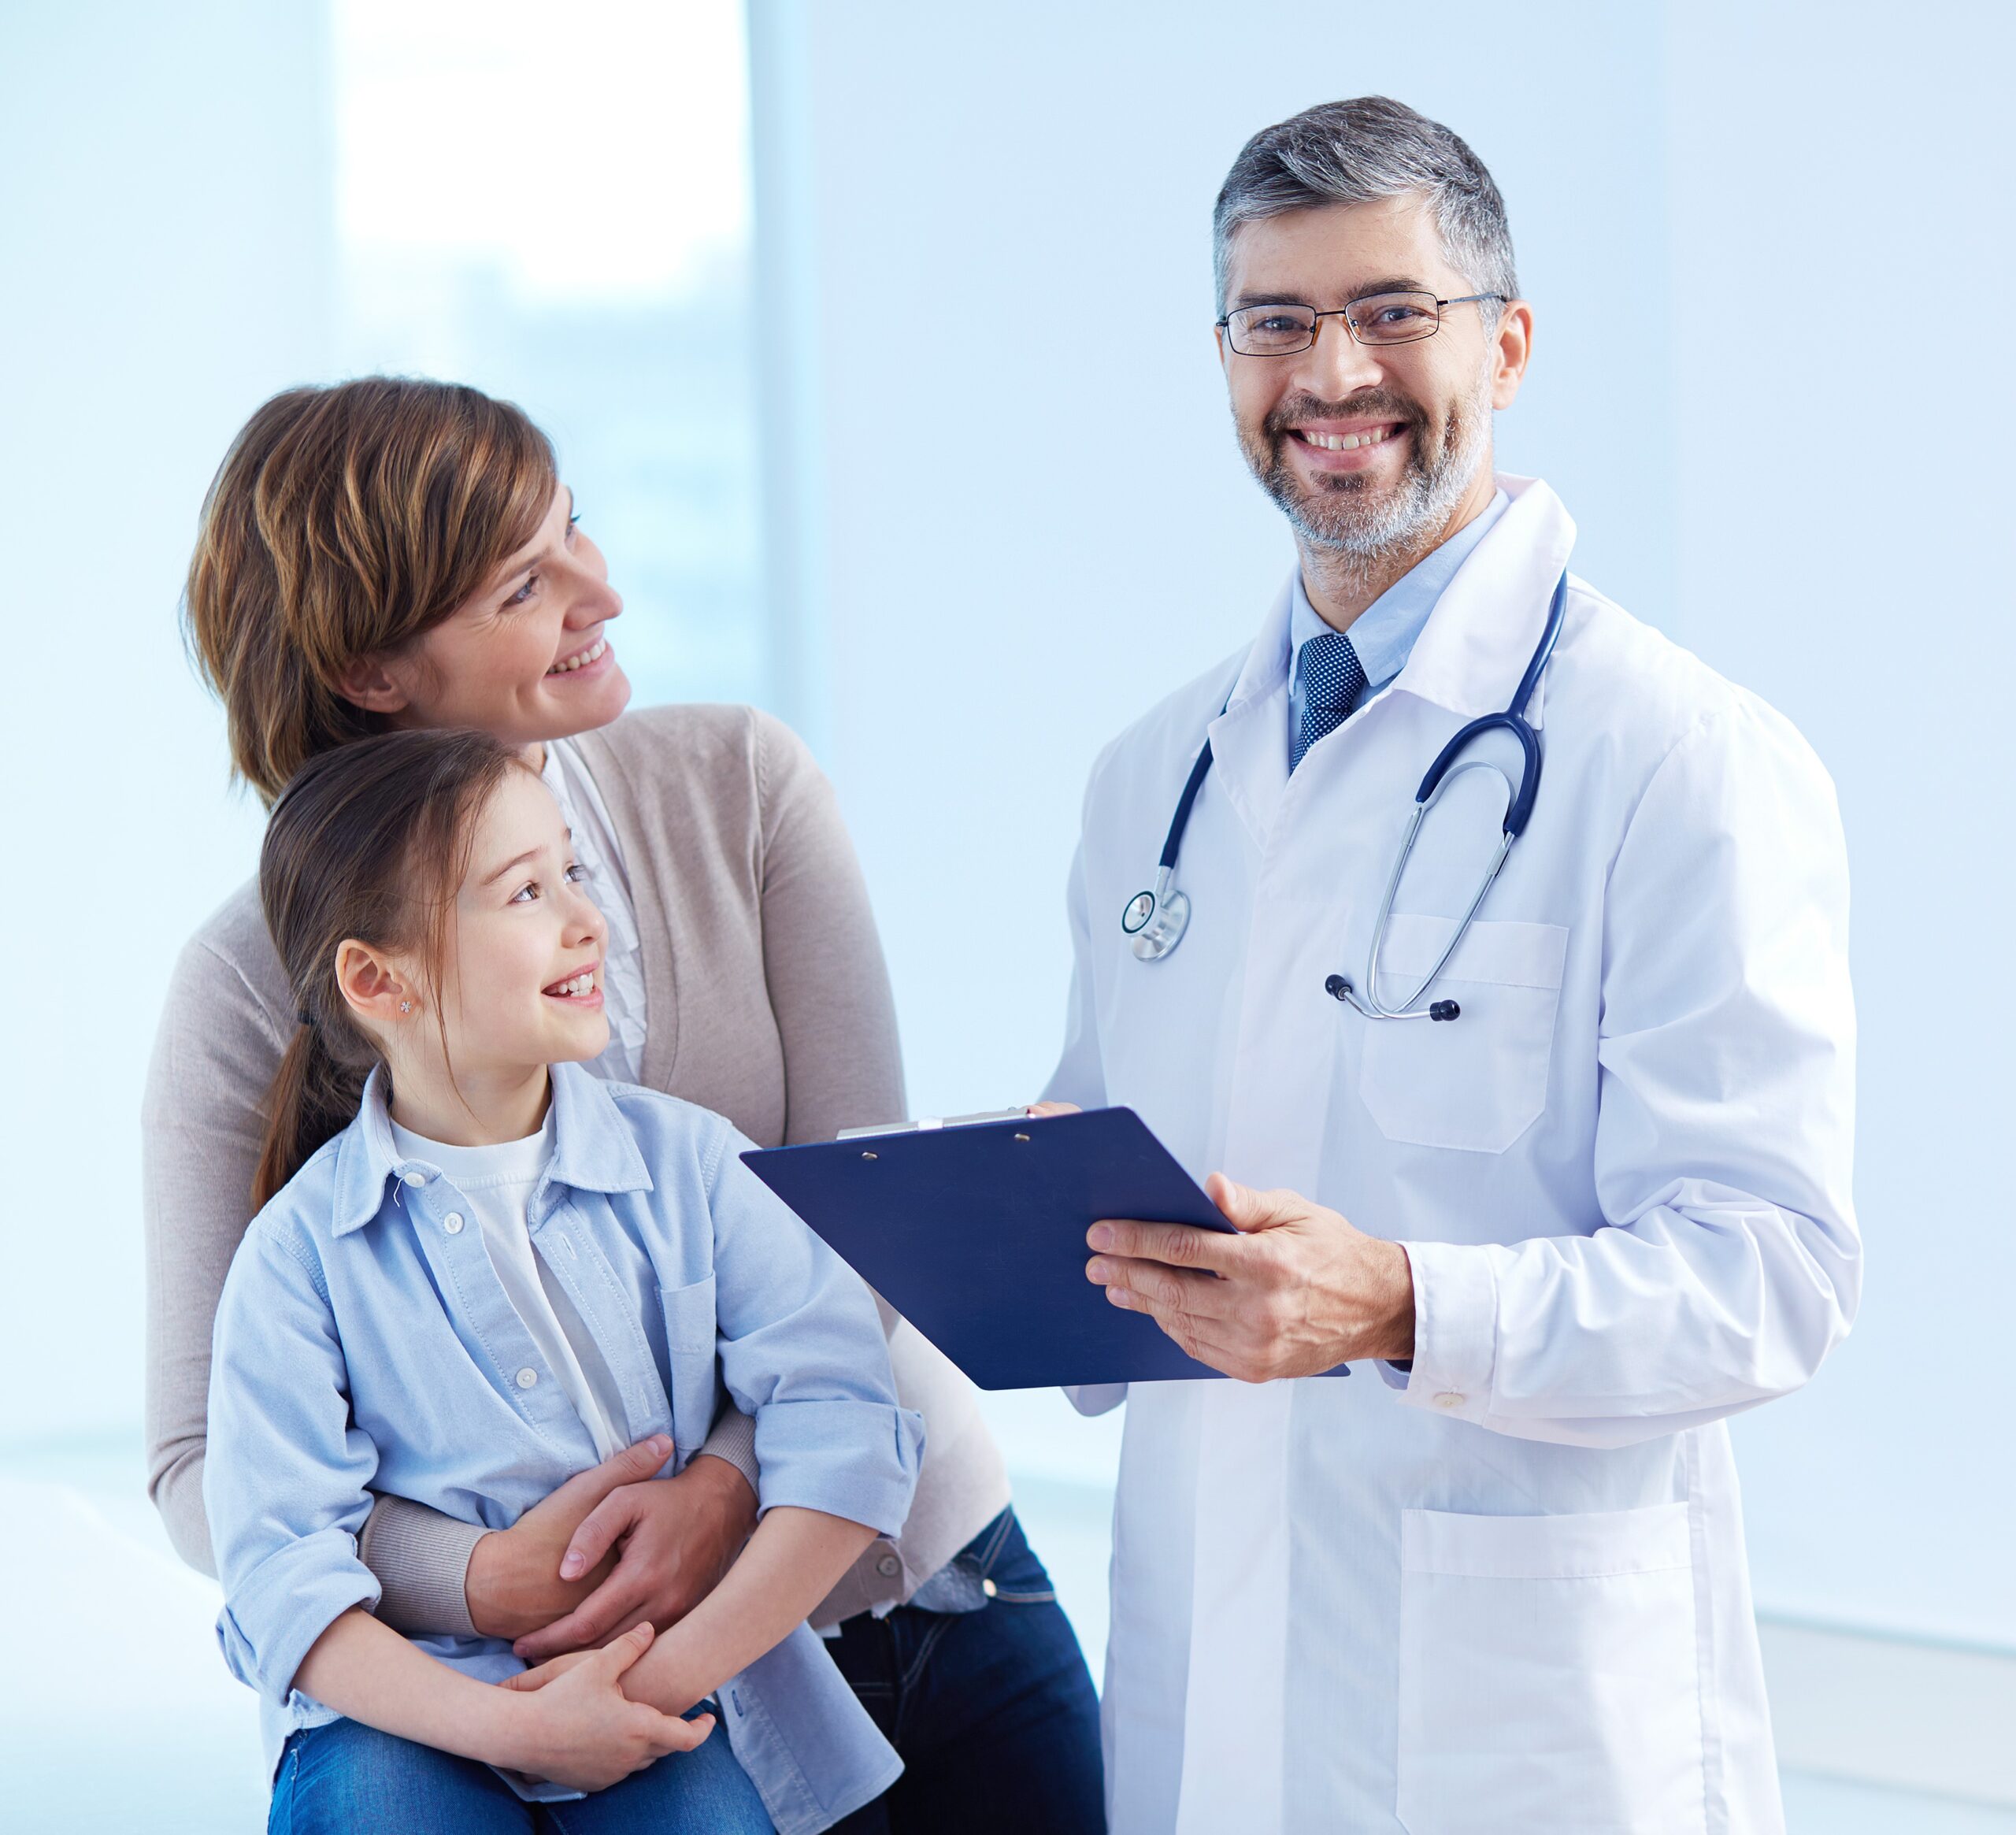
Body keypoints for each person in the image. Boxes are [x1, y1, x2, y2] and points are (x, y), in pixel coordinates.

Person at [1047, 98, 1859, 1833]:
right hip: (1209, 1707)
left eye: (1390, 311)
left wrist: (1404, 1302)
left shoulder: (1674, 757)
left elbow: (1767, 1271)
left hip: (1523, 1735)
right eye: (1274, 321)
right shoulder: (1152, 781)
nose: (1329, 370)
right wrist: (1020, 1225)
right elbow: (1119, 1199)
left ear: (1506, 340)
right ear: (1221, 360)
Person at [145, 378, 1103, 1833]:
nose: (604, 588)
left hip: (916, 1590)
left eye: (573, 527)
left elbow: (868, 1229)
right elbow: (205, 1461)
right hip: (550, 1702)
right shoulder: (242, 986)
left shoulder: (744, 786)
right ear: (376, 673)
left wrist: (723, 1484)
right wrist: (486, 1580)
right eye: (527, 580)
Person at [211, 726, 922, 1831]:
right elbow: (279, 1572)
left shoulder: (698, 1164)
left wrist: (650, 1683)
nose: (587, 918)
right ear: (375, 979)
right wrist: (519, 1726)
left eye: (574, 871)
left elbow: (844, 1425)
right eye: (526, 890)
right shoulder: (297, 1256)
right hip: (406, 1709)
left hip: (672, 1684)